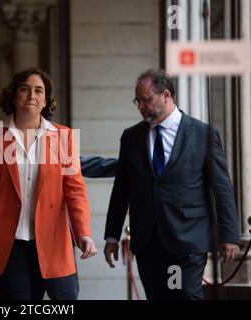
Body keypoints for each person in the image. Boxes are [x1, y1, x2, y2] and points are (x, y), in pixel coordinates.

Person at [0, 67, 97, 300]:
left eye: (39, 91)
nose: (32, 96)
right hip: (5, 243)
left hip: (51, 241)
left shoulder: (64, 137)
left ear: (46, 101)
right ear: (13, 96)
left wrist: (84, 233)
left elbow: (75, 191)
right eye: (25, 89)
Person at [103, 69, 240, 300]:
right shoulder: (131, 137)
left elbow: (222, 188)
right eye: (137, 101)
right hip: (148, 242)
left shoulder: (202, 134)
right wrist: (112, 237)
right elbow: (121, 190)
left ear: (166, 95)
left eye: (146, 100)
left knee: (183, 294)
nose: (140, 107)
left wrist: (229, 235)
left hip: (186, 241)